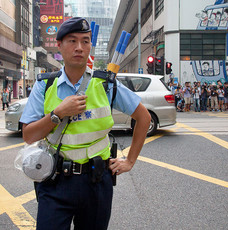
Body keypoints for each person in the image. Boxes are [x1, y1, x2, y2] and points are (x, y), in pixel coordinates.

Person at [19, 17, 151, 230]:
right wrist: (58, 113)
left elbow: (143, 117)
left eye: (85, 41)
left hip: (96, 182)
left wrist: (130, 161)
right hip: (54, 182)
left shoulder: (106, 84)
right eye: (72, 41)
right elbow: (29, 136)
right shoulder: (45, 85)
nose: (79, 47)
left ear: (91, 45)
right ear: (59, 46)